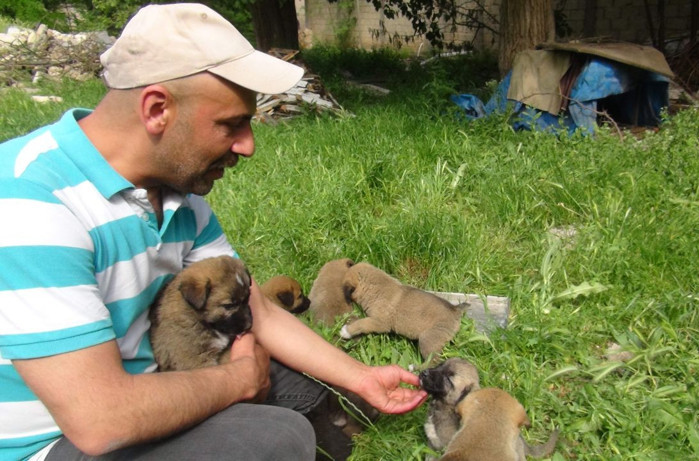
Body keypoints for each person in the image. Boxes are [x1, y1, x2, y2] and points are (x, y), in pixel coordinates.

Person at [0, 3, 427, 460]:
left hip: (160, 379)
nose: (248, 145)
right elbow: (100, 421)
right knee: (278, 438)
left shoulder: (178, 193)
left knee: (302, 386)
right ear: (157, 109)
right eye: (231, 124)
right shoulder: (29, 202)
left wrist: (359, 377)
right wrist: (238, 380)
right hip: (61, 440)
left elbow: (255, 307)